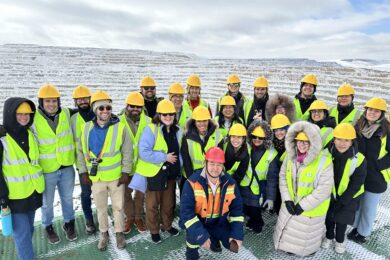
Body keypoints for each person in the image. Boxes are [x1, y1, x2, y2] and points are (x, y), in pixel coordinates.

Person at [77, 90, 133, 250]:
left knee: (118, 207)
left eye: (108, 108)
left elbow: (128, 151)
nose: (105, 111)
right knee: (101, 208)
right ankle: (103, 234)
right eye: (101, 108)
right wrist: (82, 172)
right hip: (96, 178)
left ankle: (119, 233)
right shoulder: (85, 128)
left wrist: (125, 172)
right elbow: (80, 151)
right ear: (95, 109)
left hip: (116, 177)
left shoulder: (120, 127)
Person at [273, 121, 334, 257]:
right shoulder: (290, 158)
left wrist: (303, 205)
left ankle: (306, 250)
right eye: (299, 141)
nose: (302, 144)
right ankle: (288, 247)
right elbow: (283, 177)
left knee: (305, 237)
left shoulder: (325, 162)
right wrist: (287, 199)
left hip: (311, 210)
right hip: (290, 204)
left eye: (306, 141)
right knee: (290, 232)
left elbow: (323, 189)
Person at [30, 84, 77, 244]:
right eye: (47, 101)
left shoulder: (66, 113)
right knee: (47, 202)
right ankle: (48, 226)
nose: (51, 104)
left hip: (66, 166)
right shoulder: (32, 117)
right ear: (41, 102)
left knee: (67, 198)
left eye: (54, 101)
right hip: (47, 168)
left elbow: (85, 113)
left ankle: (69, 223)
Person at [180, 147, 244, 260]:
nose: (215, 168)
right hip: (198, 222)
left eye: (219, 164)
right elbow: (186, 213)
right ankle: (191, 254)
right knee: (194, 239)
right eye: (212, 163)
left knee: (232, 245)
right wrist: (201, 236)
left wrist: (236, 234)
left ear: (223, 165)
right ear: (205, 163)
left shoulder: (230, 183)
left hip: (219, 222)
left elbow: (237, 211)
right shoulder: (191, 183)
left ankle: (213, 239)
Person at [0, 98, 45, 260]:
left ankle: (28, 255)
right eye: (20, 114)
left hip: (32, 191)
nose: (25, 117)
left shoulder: (29, 133)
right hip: (14, 197)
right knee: (23, 234)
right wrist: (3, 199)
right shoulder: (2, 138)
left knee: (30, 229)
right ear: (11, 114)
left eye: (27, 114)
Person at [135, 99, 183, 244]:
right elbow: (143, 152)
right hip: (155, 173)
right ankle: (154, 230)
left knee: (168, 204)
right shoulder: (151, 130)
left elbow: (181, 151)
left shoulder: (178, 130)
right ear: (159, 115)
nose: (168, 117)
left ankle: (167, 226)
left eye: (171, 114)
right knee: (152, 205)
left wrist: (180, 165)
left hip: (171, 174)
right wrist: (164, 157)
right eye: (164, 114)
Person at [348, 97, 390, 243]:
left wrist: (378, 166)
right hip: (359, 173)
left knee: (369, 207)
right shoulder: (358, 126)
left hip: (375, 176)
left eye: (376, 111)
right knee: (358, 204)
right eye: (370, 109)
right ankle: (356, 227)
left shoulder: (386, 130)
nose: (372, 112)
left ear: (381, 114)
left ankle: (363, 233)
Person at [322, 123, 366, 254]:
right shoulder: (325, 154)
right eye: (339, 139)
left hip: (349, 197)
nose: (342, 143)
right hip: (328, 195)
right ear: (333, 139)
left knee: (342, 220)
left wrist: (342, 201)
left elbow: (356, 183)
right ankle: (329, 236)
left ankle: (340, 240)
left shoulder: (359, 159)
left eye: (346, 140)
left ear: (352, 141)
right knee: (329, 218)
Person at [240, 120, 278, 232]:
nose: (257, 139)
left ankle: (257, 224)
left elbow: (272, 179)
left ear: (265, 138)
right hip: (243, 186)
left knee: (255, 211)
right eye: (254, 136)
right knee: (243, 207)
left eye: (260, 138)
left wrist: (270, 198)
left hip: (257, 190)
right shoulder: (245, 147)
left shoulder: (271, 154)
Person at [120, 92, 149, 234]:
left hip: (142, 166)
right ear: (127, 106)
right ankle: (129, 217)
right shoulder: (118, 122)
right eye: (132, 106)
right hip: (125, 166)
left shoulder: (149, 122)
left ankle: (138, 217)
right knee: (125, 194)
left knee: (140, 194)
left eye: (139, 107)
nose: (135, 109)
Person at [70, 85, 97, 235]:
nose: (82, 101)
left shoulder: (98, 113)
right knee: (86, 192)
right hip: (82, 164)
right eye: (79, 99)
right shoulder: (72, 118)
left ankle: (102, 216)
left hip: (101, 162)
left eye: (85, 98)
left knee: (101, 192)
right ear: (75, 101)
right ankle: (89, 219)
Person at [181, 106, 223, 190]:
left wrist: (212, 178)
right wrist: (193, 181)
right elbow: (186, 161)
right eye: (199, 121)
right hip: (191, 175)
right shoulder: (187, 137)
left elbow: (219, 161)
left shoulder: (218, 135)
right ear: (194, 122)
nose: (202, 124)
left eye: (204, 120)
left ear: (209, 120)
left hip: (211, 176)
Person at [270, 114, 291, 213]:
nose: (279, 133)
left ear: (287, 129)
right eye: (276, 130)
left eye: (282, 129)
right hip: (275, 177)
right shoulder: (271, 143)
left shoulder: (293, 144)